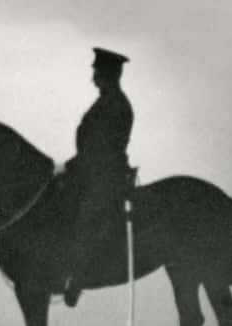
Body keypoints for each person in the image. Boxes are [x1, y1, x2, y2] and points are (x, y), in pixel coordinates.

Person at [63, 47, 134, 307]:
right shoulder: (107, 100)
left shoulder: (114, 104)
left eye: (97, 70)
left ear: (108, 74)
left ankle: (78, 278)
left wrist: (73, 166)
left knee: (87, 216)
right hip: (93, 170)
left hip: (105, 175)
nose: (93, 73)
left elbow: (100, 148)